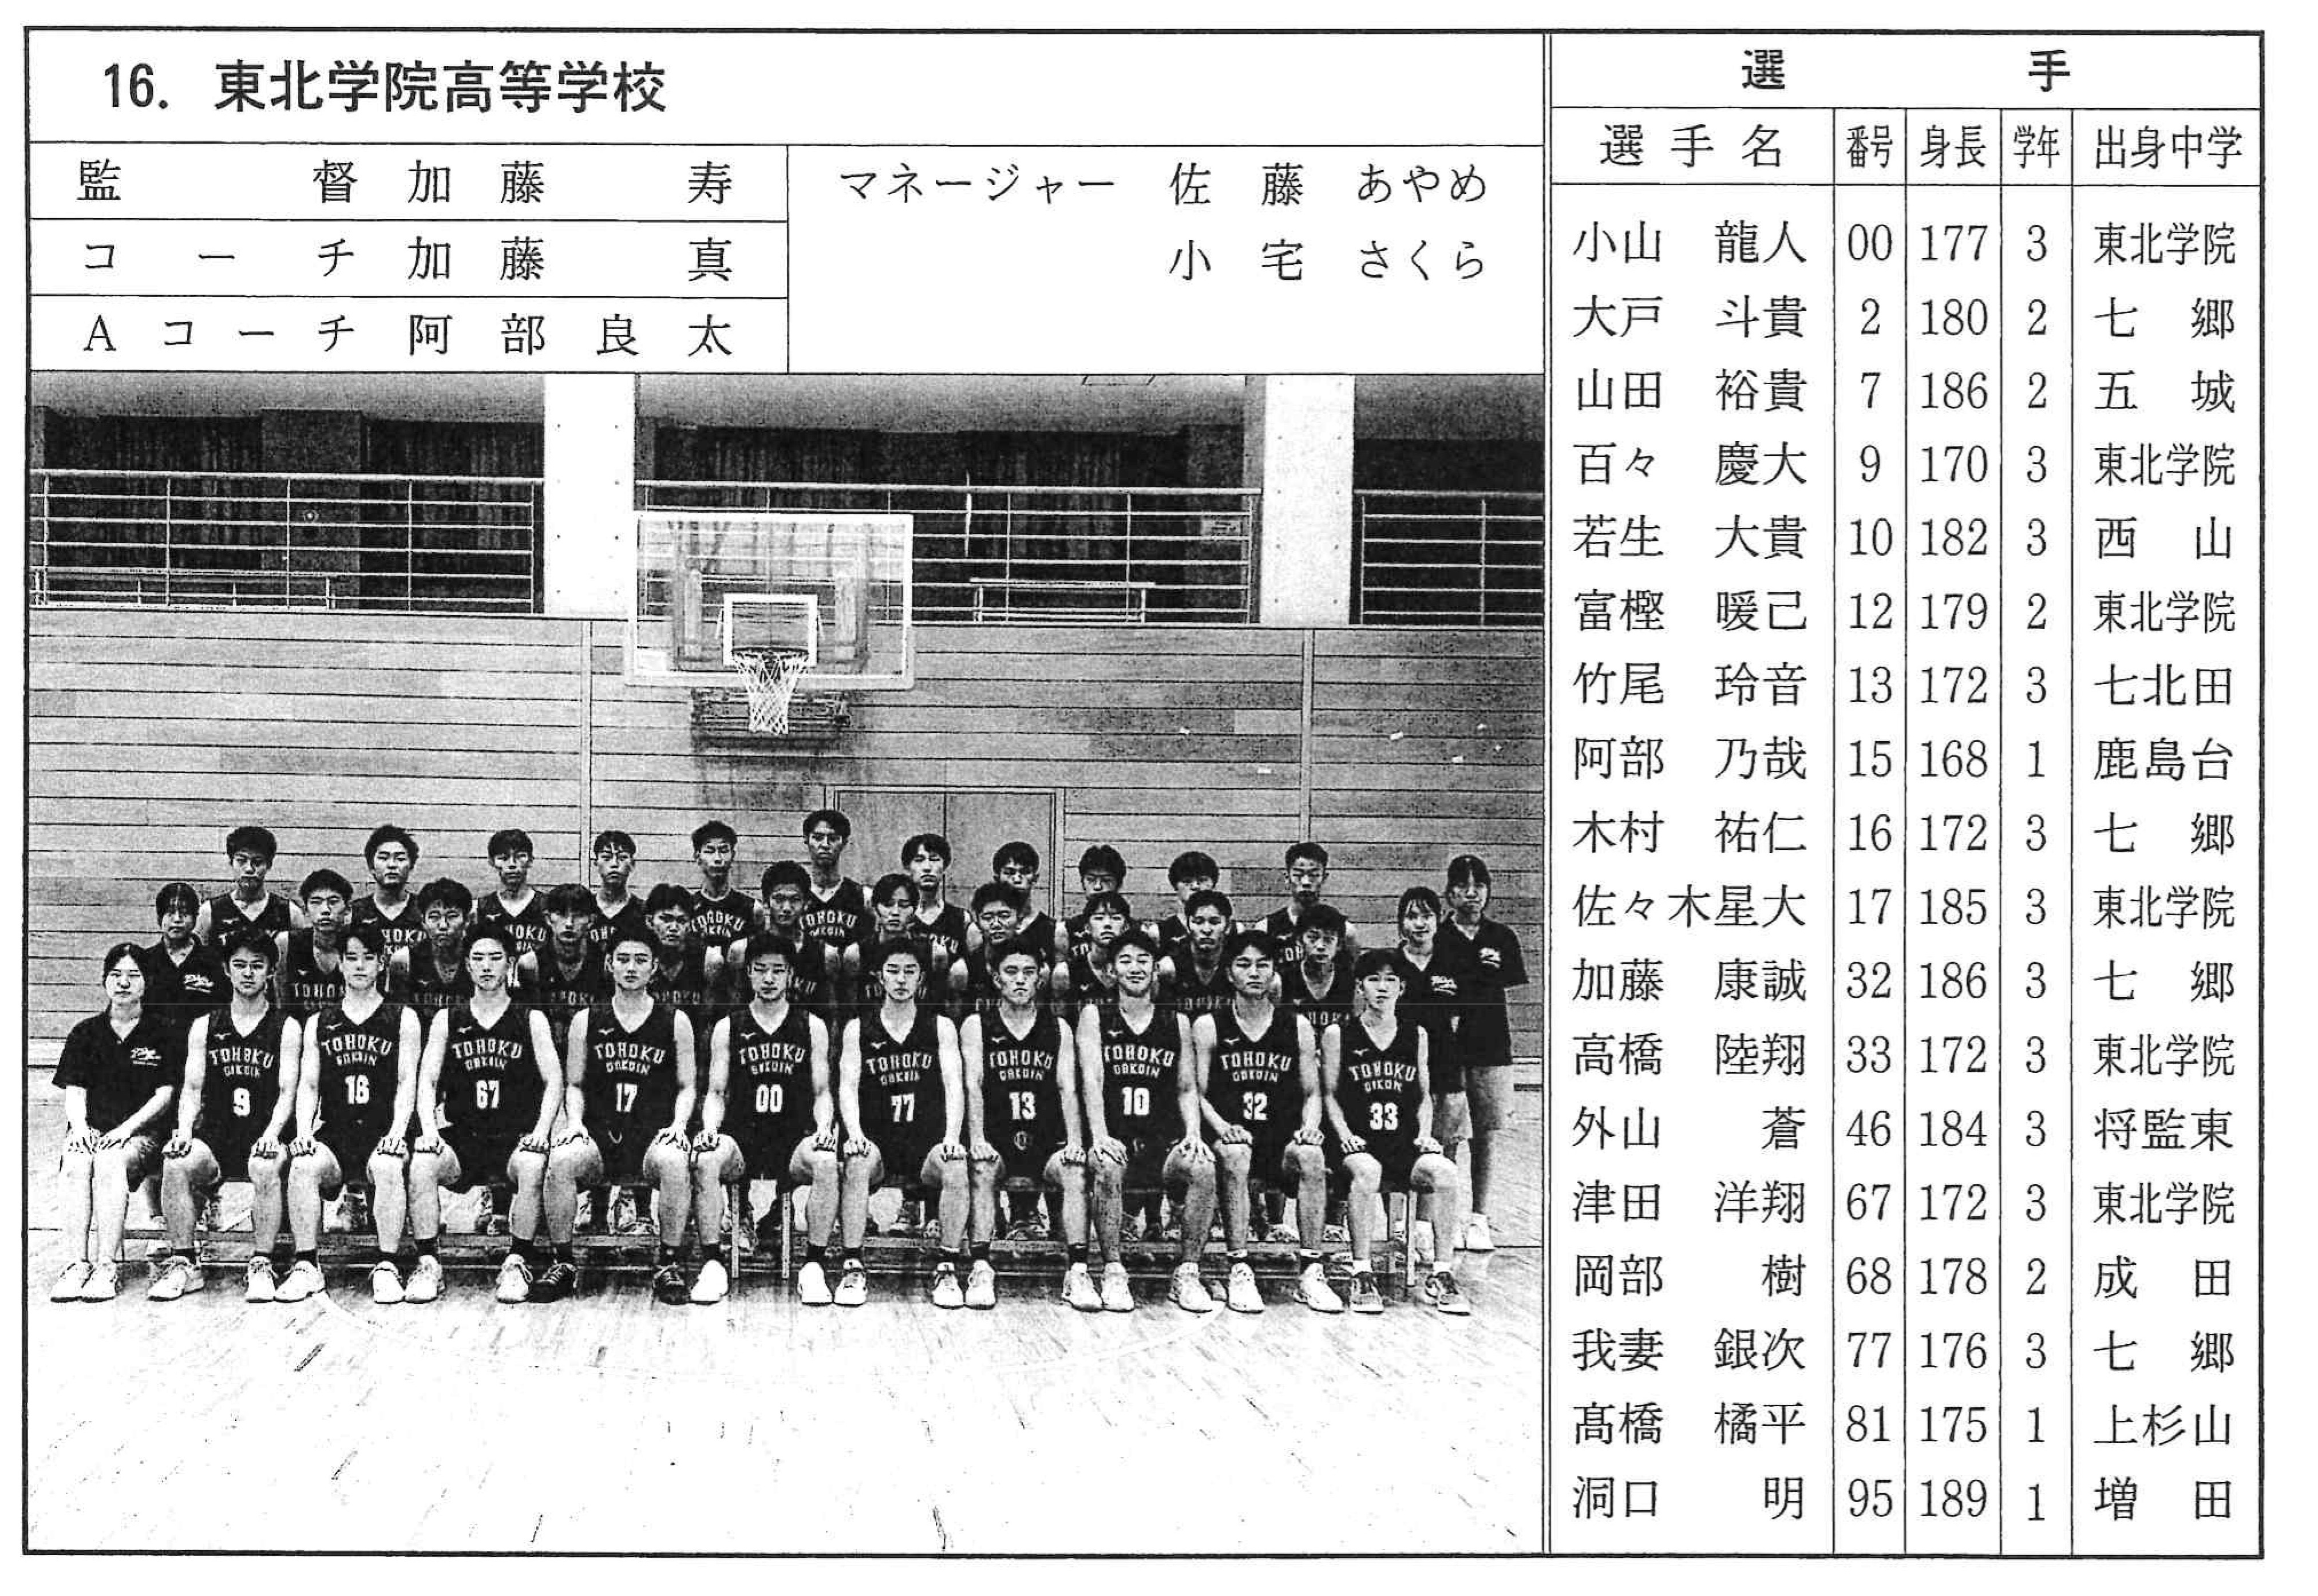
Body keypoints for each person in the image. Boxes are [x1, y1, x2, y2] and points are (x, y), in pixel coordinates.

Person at [542, 928, 701, 1305]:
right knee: (561, 1161)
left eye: (641, 960)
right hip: (600, 1137)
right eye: (624, 959)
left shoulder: (675, 1020)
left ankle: (668, 1262)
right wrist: (574, 1123)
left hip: (650, 1139)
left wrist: (679, 1126)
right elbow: (575, 1084)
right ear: (609, 964)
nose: (631, 968)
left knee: (675, 1160)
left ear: (655, 967)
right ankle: (563, 1261)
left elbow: (687, 1086)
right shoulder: (586, 1019)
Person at [409, 926, 562, 1305]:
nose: (487, 966)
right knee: (423, 1162)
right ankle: (428, 1262)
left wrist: (542, 1131)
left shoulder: (530, 1018)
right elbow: (427, 1080)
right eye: (478, 958)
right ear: (467, 965)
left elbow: (554, 1081)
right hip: (464, 1136)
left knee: (533, 1162)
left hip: (514, 1137)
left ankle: (517, 1261)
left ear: (510, 964)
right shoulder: (448, 1018)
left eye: (495, 958)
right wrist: (429, 1130)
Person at [1192, 930, 1340, 1315]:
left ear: (1274, 972)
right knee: (1236, 1153)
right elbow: (1197, 1093)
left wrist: (1311, 1127)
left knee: (1312, 1156)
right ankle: (1239, 1267)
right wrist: (1222, 1127)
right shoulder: (1209, 1025)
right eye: (1244, 964)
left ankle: (1311, 1270)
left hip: (1279, 1141)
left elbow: (1312, 1092)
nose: (1254, 972)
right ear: (1229, 973)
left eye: (1263, 964)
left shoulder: (1297, 1026)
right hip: (1231, 1140)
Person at [692, 933, 841, 1305]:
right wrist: (709, 1129)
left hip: (793, 1140)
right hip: (743, 1139)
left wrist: (825, 1129)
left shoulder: (811, 1025)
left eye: (778, 970)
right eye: (761, 970)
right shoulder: (729, 1026)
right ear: (748, 974)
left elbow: (823, 1091)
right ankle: (712, 1262)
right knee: (707, 1158)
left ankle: (814, 1265)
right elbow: (716, 1091)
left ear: (791, 975)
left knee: (826, 1161)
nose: (769, 978)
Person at [153, 933, 302, 1303]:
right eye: (240, 965)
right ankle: (184, 1262)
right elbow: (192, 1089)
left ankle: (262, 1263)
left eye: (257, 965)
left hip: (266, 1134)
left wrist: (273, 1133)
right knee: (176, 1162)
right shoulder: (205, 1025)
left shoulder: (286, 1026)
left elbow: (288, 1091)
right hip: (218, 1137)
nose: (248, 973)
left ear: (271, 971)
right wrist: (183, 1130)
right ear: (226, 969)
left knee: (265, 1166)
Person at [1077, 925, 1217, 1314]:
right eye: (1126, 961)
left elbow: (1187, 1087)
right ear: (1111, 971)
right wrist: (1099, 1134)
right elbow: (1092, 1080)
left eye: (1144, 960)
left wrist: (1193, 1133)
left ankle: (1188, 1272)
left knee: (1203, 1166)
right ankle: (1114, 1270)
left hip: (1162, 1139)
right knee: (1107, 1165)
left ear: (1156, 969)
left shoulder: (1177, 1021)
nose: (1136, 968)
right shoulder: (1095, 1015)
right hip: (1116, 1135)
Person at [1322, 951, 1470, 1315]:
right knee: (1368, 1170)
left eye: (1390, 980)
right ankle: (1361, 1272)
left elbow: (1423, 1096)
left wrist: (1425, 1134)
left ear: (1402, 988)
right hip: (1356, 1144)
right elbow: (1329, 1095)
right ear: (1360, 987)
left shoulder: (1415, 1034)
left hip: (1402, 1143)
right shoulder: (1339, 1033)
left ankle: (1442, 1273)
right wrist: (1344, 1135)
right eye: (1374, 979)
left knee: (1446, 1172)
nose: (1382, 987)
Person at [283, 924, 422, 1304]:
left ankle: (388, 1266)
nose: (360, 965)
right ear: (340, 964)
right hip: (338, 1132)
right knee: (303, 1165)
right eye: (352, 958)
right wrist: (304, 1132)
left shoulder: (402, 1017)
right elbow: (309, 1085)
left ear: (382, 963)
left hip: (384, 1129)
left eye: (368, 957)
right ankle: (306, 1264)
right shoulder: (319, 1021)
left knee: (389, 1165)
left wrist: (398, 1132)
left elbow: (407, 1082)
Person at [834, 939, 969, 1309]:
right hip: (878, 1140)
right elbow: (847, 1086)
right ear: (879, 977)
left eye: (910, 971)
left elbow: (954, 1085)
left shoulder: (940, 1026)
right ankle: (853, 1266)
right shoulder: (858, 1028)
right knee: (857, 1162)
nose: (901, 979)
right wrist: (855, 1134)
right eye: (893, 971)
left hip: (925, 1142)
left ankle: (947, 1267)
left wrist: (952, 1137)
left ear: (921, 978)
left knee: (956, 1165)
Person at [52, 944, 176, 1302]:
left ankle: (107, 1265)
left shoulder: (163, 1031)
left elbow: (165, 1094)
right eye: (116, 975)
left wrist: (125, 1131)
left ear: (147, 982)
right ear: (105, 980)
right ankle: (77, 1264)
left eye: (133, 976)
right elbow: (75, 1090)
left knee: (109, 1162)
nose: (123, 983)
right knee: (75, 1163)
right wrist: (79, 1129)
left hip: (141, 1134)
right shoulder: (85, 1033)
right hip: (93, 1129)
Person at [962, 942, 1083, 1310]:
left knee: (1075, 1170)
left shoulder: (1058, 1027)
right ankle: (981, 1267)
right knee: (982, 1168)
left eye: (1028, 973)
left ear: (1040, 979)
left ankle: (1078, 1271)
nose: (1020, 980)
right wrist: (978, 1137)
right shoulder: (977, 1025)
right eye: (1011, 972)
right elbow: (973, 1085)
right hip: (997, 1137)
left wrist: (1075, 1140)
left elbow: (1067, 1088)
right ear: (996, 978)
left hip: (1045, 1139)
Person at [1439, 855, 1529, 1253]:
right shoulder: (1439, 936)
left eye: (1479, 886)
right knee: (1447, 1135)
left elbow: (1506, 985)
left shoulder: (1502, 937)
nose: (1471, 893)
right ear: (1449, 893)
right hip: (1449, 1048)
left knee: (1485, 1136)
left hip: (1492, 1047)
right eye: (1463, 886)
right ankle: (1442, 1219)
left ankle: (1479, 1218)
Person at [1390, 886, 1477, 1262]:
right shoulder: (1392, 965)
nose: (1420, 923)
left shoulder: (1453, 962)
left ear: (1438, 920)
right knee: (1399, 1143)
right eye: (1412, 916)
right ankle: (1398, 1226)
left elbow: (1462, 1018)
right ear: (1401, 923)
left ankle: (1426, 1225)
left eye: (1426, 915)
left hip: (1445, 1066)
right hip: (1402, 1066)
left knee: (1443, 1145)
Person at [141, 882, 226, 1042]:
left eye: (185, 914)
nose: (177, 920)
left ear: (195, 919)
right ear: (159, 918)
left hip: (201, 1045)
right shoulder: (145, 961)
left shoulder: (213, 962)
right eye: (170, 913)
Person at [197, 823, 304, 948]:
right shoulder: (209, 911)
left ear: (269, 865)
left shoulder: (290, 912)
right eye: (241, 861)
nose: (249, 869)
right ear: (231, 863)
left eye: (257, 862)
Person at [758, 862, 838, 1020]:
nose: (787, 908)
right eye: (779, 899)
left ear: (806, 904)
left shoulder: (825, 953)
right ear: (766, 902)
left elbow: (831, 1015)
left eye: (795, 900)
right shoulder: (746, 949)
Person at [1259, 841, 1360, 960]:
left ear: (1324, 878)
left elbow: (1352, 969)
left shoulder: (1346, 931)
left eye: (1314, 875)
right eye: (1298, 875)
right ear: (1287, 877)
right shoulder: (1267, 928)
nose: (1306, 882)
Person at [279, 868, 354, 1017]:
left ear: (347, 910)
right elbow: (280, 1002)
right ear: (306, 911)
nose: (325, 910)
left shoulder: (358, 946)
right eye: (316, 902)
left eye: (333, 902)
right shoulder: (287, 943)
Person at [843, 872, 923, 1011]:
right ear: (875, 908)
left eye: (904, 905)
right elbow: (851, 1007)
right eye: (888, 905)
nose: (895, 912)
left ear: (914, 910)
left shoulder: (931, 952)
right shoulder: (856, 953)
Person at [531, 881, 607, 1028]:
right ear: (548, 919)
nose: (569, 924)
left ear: (591, 920)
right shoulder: (531, 964)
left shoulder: (604, 964)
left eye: (579, 916)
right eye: (561, 915)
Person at [398, 877, 476, 1018]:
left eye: (452, 916)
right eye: (434, 917)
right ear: (423, 922)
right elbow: (396, 1016)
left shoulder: (480, 958)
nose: (443, 926)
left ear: (467, 920)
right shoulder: (405, 960)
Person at [349, 824, 426, 967]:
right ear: (371, 866)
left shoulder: (424, 910)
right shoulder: (355, 913)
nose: (392, 865)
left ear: (411, 866)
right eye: (384, 858)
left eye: (400, 859)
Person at [476, 827, 552, 969]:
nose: (512, 864)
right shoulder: (483, 907)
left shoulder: (547, 905)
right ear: (492, 862)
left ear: (531, 860)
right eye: (503, 858)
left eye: (520, 856)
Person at [1158, 888, 1239, 1021]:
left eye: (1214, 922)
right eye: (1199, 922)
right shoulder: (1170, 967)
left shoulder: (1237, 964)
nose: (1206, 930)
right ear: (1188, 925)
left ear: (1228, 926)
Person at [685, 820, 757, 967]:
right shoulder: (687, 906)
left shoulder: (750, 907)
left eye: (724, 851)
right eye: (710, 851)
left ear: (733, 856)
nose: (718, 859)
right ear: (698, 857)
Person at [798, 809, 869, 951]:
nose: (825, 845)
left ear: (844, 843)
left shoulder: (863, 896)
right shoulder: (795, 894)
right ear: (807, 840)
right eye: (818, 838)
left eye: (833, 839)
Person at [901, 832, 972, 972]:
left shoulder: (961, 918)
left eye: (934, 860)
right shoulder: (899, 915)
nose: (927, 868)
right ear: (908, 867)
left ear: (945, 867)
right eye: (919, 860)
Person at [991, 841, 1067, 964]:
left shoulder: (1053, 930)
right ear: (997, 878)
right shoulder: (987, 926)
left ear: (1035, 878)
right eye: (1009, 873)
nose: (1017, 879)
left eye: (1025, 872)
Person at [585, 829, 650, 957]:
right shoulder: (585, 909)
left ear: (632, 864)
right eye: (606, 858)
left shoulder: (643, 912)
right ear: (596, 863)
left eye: (622, 858)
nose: (614, 864)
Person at [1064, 845, 1128, 968]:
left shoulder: (1133, 928)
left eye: (1106, 880)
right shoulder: (1068, 930)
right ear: (1083, 882)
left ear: (1119, 885)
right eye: (1091, 879)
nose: (1098, 887)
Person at [1153, 850, 1220, 965]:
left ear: (1213, 884)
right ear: (1175, 887)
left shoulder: (1234, 929)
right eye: (1187, 881)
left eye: (1202, 880)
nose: (1195, 887)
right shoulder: (1158, 932)